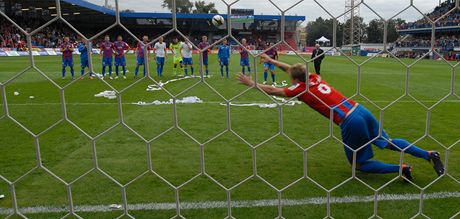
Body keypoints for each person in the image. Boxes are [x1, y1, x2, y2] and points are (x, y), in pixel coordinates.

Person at [236, 54, 445, 181]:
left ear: (293, 78)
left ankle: (402, 169)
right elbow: (292, 69)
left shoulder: (299, 90)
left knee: (360, 165)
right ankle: (429, 154)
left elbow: (274, 90)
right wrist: (272, 60)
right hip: (360, 109)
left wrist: (251, 83)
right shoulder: (314, 77)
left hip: (349, 121)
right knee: (386, 142)